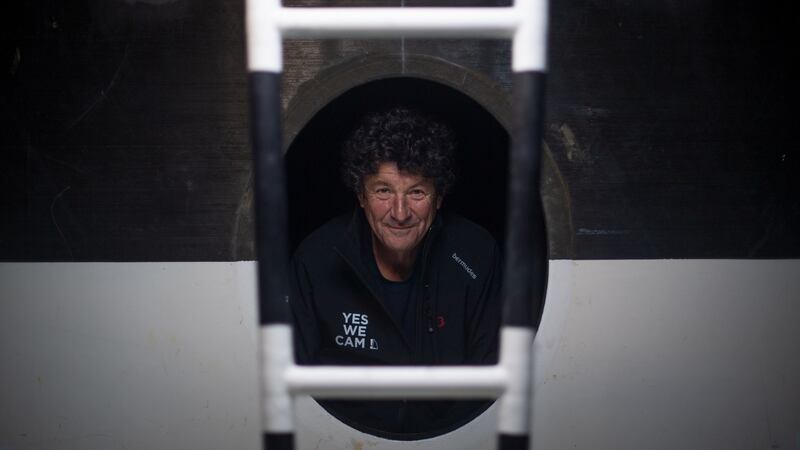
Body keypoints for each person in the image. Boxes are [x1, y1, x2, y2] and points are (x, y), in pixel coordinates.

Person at [288, 106, 502, 438]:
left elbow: (493, 382)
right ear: (361, 195)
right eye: (383, 191)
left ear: (438, 198)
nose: (399, 213)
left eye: (416, 192)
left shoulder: (476, 255)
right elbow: (294, 385)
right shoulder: (315, 260)